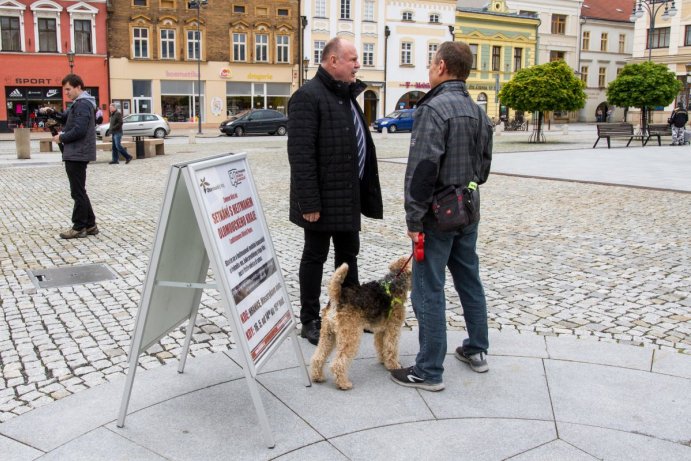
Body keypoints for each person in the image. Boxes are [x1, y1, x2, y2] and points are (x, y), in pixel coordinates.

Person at [390, 41, 493, 391]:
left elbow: (422, 170)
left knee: (426, 290)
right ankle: (477, 349)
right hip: (468, 208)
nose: (429, 68)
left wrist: (414, 221)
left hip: (436, 215)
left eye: (432, 62)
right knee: (469, 280)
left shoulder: (433, 109)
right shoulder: (477, 110)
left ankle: (429, 369)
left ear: (443, 66)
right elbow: (484, 166)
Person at [287, 37, 383, 345]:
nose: (358, 64)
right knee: (315, 257)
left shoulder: (347, 97)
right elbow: (301, 156)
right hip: (320, 202)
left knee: (348, 257)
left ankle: (350, 314)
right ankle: (309, 320)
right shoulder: (307, 97)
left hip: (347, 199)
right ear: (333, 62)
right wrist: (308, 202)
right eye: (353, 59)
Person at [40, 74, 99, 239]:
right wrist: (52, 112)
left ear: (78, 87)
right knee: (80, 190)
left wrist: (61, 137)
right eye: (64, 90)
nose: (66, 93)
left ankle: (79, 226)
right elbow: (65, 118)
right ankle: (91, 224)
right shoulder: (79, 104)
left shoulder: (82, 105)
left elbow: (79, 130)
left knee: (77, 192)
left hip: (77, 152)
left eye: (68, 89)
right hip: (76, 152)